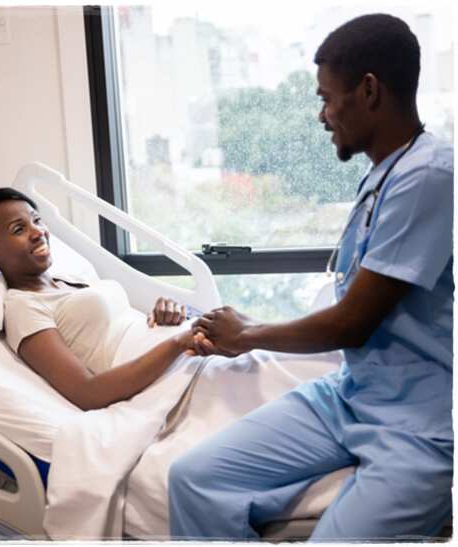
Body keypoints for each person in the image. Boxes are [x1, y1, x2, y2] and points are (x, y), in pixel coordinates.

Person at [168, 14, 452, 540]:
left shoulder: (429, 178)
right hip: (354, 395)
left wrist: (246, 336)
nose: (322, 116)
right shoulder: (385, 173)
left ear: (368, 91)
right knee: (193, 478)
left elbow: (353, 324)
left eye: (327, 99)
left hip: (422, 426)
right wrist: (250, 324)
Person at [0, 188, 206, 410]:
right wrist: (176, 344)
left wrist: (163, 315)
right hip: (172, 378)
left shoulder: (69, 279)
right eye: (19, 229)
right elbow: (87, 393)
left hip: (186, 353)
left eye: (36, 220)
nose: (37, 232)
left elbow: (114, 328)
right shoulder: (23, 307)